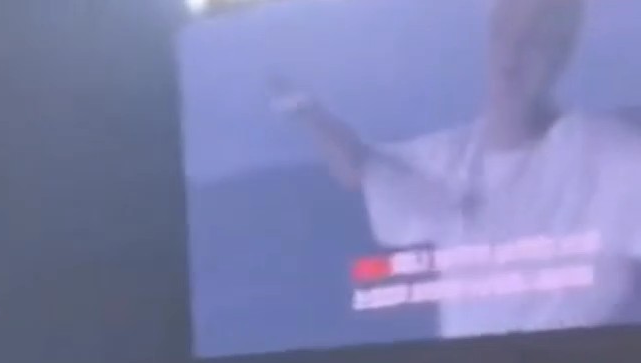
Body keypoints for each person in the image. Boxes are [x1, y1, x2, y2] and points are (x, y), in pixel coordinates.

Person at [272, 0, 641, 339]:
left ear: (562, 52)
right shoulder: (449, 157)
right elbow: (360, 169)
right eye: (502, 34)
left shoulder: (611, 158)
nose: (511, 56)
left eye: (534, 41)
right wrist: (303, 109)